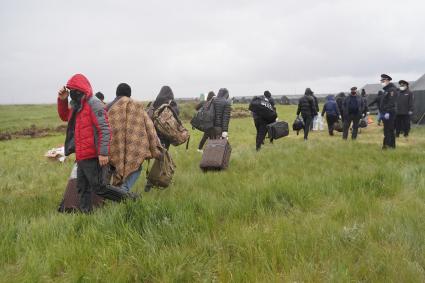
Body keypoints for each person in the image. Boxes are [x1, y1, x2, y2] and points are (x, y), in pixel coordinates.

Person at [57, 74, 134, 213]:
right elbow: (64, 116)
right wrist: (62, 100)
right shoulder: (76, 105)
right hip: (81, 156)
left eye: (74, 90)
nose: (72, 94)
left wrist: (103, 152)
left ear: (80, 90)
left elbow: (105, 129)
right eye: (70, 90)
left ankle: (131, 199)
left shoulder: (94, 104)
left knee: (100, 187)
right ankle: (86, 215)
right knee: (82, 188)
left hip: (93, 155)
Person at [107, 83, 161, 192]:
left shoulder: (108, 107)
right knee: (137, 167)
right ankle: (124, 190)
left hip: (114, 146)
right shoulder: (137, 105)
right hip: (135, 147)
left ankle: (113, 192)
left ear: (116, 93)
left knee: (113, 168)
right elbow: (149, 126)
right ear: (129, 94)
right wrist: (156, 147)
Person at [145, 85, 179, 192]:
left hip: (151, 136)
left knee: (145, 158)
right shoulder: (170, 105)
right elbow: (175, 121)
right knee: (160, 160)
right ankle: (153, 182)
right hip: (164, 137)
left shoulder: (153, 104)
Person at [379, 74, 398, 149]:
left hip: (389, 112)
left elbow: (392, 102)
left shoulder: (392, 90)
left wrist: (387, 111)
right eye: (381, 81)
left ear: (387, 80)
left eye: (383, 81)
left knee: (388, 130)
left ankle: (386, 146)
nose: (382, 82)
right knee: (388, 129)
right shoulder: (386, 90)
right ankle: (391, 146)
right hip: (385, 112)